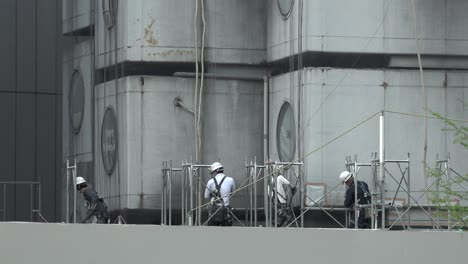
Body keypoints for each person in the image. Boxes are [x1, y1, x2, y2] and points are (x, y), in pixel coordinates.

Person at [204, 162, 236, 226]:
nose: (212, 174)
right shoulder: (231, 180)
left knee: (212, 232)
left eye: (212, 172)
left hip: (214, 210)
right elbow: (233, 193)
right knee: (227, 232)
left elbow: (206, 196)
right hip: (226, 210)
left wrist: (213, 194)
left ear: (215, 171)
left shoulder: (210, 181)